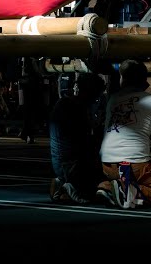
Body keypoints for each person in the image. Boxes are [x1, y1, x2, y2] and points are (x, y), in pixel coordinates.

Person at [97, 59, 151, 208]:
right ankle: (124, 189)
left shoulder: (113, 99)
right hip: (134, 164)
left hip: (107, 164)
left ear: (122, 78)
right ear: (144, 79)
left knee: (142, 171)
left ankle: (110, 186)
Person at [48, 72, 105, 204]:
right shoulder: (76, 108)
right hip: (71, 164)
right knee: (97, 190)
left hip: (62, 162)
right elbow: (84, 142)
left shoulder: (65, 103)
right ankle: (71, 186)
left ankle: (64, 183)